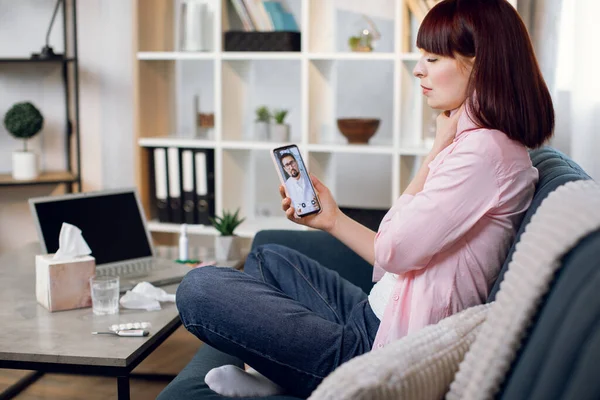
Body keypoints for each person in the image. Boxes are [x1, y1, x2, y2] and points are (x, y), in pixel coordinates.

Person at [175, 0, 554, 397]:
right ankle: (281, 372)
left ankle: (289, 377)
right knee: (271, 256)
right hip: (375, 314)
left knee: (198, 287)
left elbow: (393, 249)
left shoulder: (484, 153)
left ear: (480, 63)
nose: (418, 69)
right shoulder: (475, 143)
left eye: (433, 57)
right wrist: (332, 217)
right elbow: (402, 249)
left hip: (379, 351)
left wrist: (433, 152)